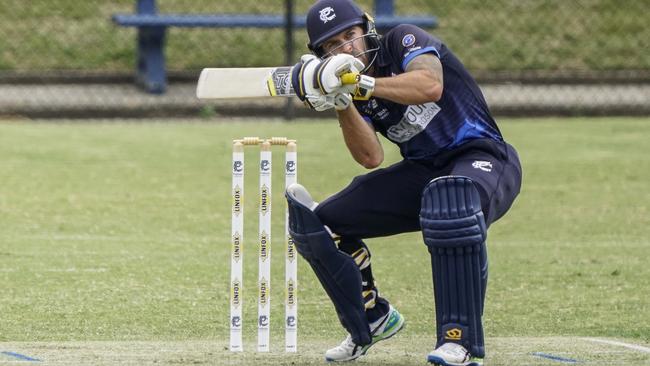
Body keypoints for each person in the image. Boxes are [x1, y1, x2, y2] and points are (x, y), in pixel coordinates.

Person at [284, 0, 522, 365]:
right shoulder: (351, 87)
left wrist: (361, 83)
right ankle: (371, 319)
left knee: (451, 205)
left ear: (366, 31)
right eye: (333, 45)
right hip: (424, 169)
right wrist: (339, 99)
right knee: (322, 222)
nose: (346, 48)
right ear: (321, 54)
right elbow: (370, 157)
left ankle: (460, 342)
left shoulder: (403, 40)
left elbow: (430, 85)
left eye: (350, 36)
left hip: (483, 156)